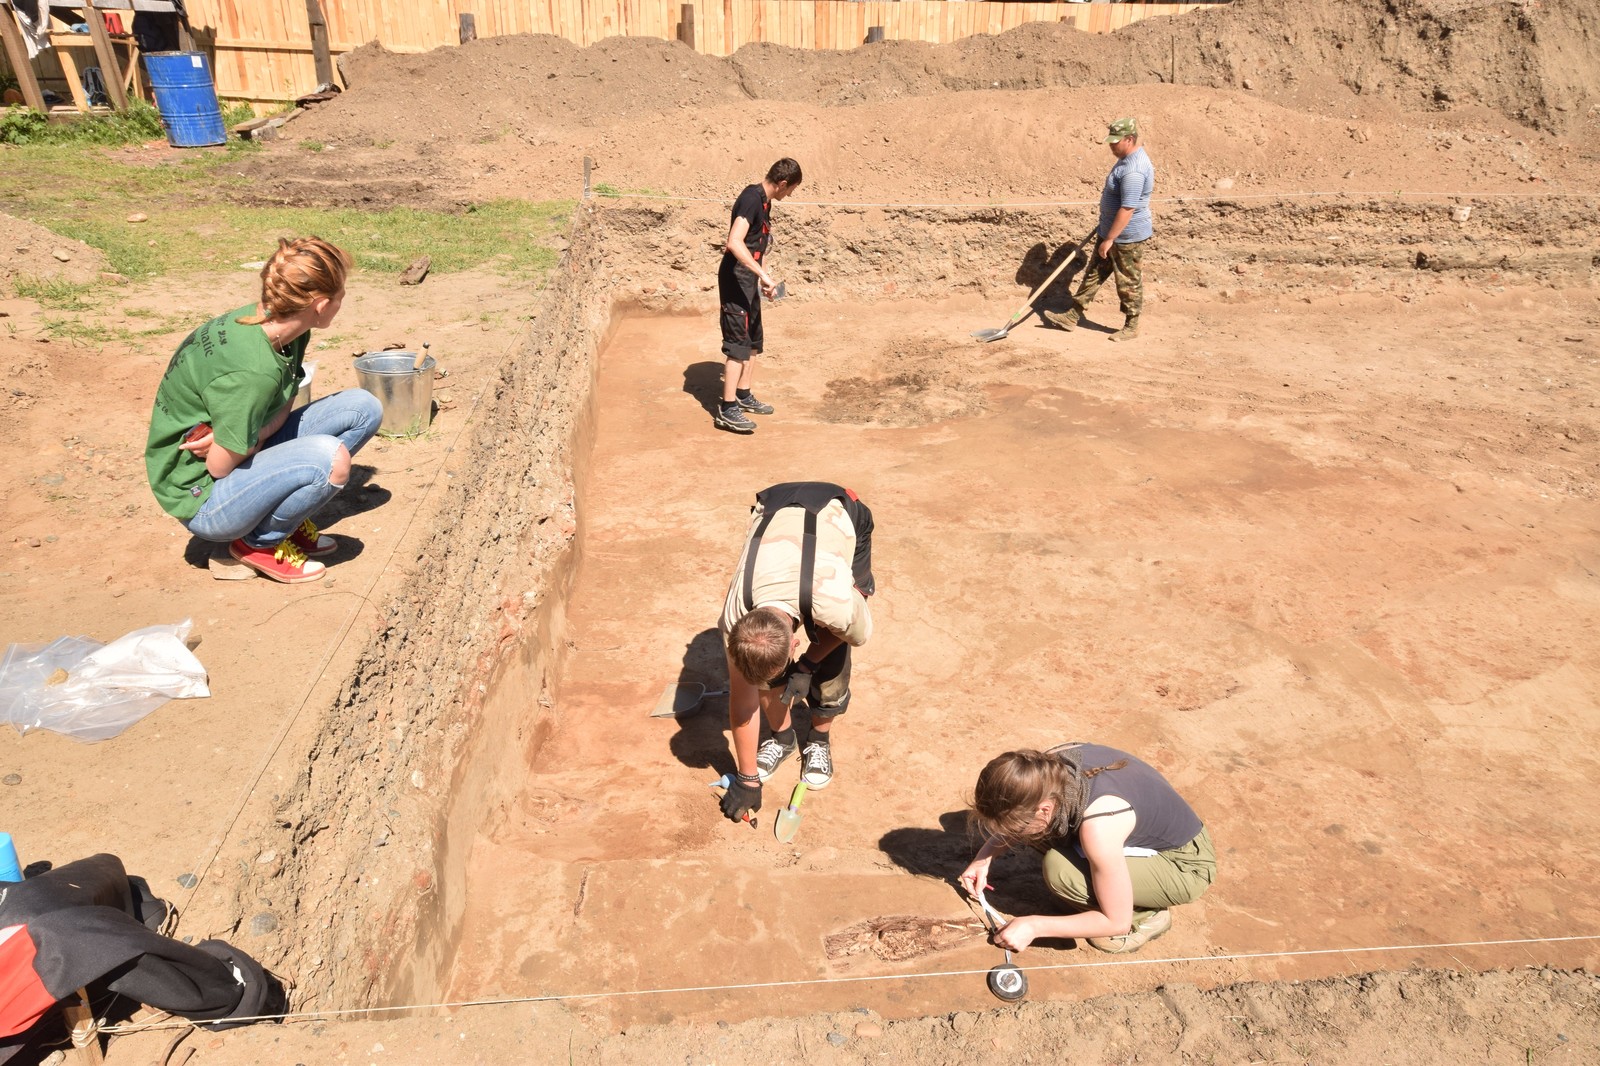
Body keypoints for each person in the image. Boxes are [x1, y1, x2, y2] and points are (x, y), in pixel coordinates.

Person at [144, 236, 382, 584]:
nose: (342, 303)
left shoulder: (280, 327)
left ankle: (281, 517)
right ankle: (257, 543)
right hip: (202, 498)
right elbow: (219, 465)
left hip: (230, 449)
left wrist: (239, 434)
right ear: (320, 305)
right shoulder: (253, 371)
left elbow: (283, 404)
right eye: (340, 297)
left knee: (363, 408)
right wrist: (237, 438)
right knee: (330, 460)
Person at [716, 482, 874, 822]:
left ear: (796, 642)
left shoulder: (834, 600)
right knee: (764, 671)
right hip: (776, 507)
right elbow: (742, 700)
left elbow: (853, 633)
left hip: (839, 511)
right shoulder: (733, 620)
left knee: (832, 664)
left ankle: (818, 738)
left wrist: (807, 665)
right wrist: (747, 778)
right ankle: (783, 738)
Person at [960, 743, 1215, 954]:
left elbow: (1116, 922)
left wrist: (1034, 926)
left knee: (1062, 872)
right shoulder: (1046, 770)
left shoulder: (1099, 829)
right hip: (1148, 831)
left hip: (1183, 865)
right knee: (1042, 835)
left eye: (1014, 825)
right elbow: (1021, 819)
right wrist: (984, 858)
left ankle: (1148, 917)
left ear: (1044, 809)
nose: (1005, 832)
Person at [1044, 117, 1155, 342]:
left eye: (1116, 141)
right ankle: (1072, 316)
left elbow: (1127, 208)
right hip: (1111, 230)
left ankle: (1131, 325)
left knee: (1128, 281)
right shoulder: (1126, 158)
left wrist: (1110, 238)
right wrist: (1106, 225)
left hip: (1125, 237)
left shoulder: (1134, 170)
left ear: (1130, 139)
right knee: (1094, 273)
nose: (1111, 146)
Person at [712, 158, 802, 434]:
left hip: (750, 278)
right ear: (782, 183)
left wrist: (762, 276)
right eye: (791, 190)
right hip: (736, 279)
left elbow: (756, 245)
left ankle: (743, 393)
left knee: (753, 340)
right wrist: (762, 276)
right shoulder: (751, 199)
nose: (790, 195)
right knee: (737, 343)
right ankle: (727, 410)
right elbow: (735, 242)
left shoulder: (765, 201)